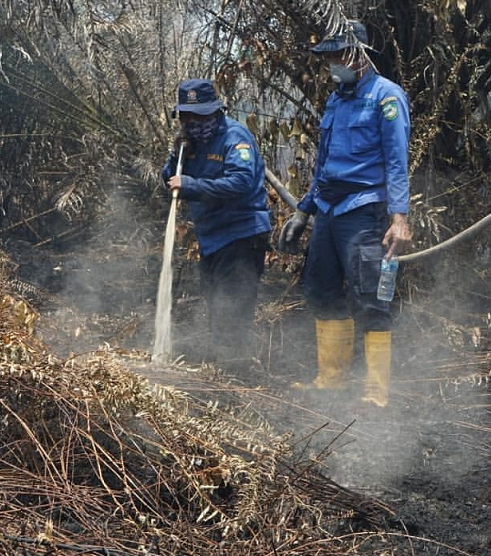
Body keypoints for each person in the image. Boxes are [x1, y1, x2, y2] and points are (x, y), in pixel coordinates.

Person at [278, 21, 412, 407]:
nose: (332, 64)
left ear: (357, 55)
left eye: (337, 55)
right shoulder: (337, 99)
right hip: (328, 210)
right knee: (320, 289)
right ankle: (332, 380)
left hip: (363, 210)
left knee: (370, 297)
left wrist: (399, 217)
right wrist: (303, 212)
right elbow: (324, 164)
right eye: (329, 57)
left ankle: (375, 392)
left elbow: (396, 162)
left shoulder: (387, 97)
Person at [162, 78, 271, 365]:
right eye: (186, 117)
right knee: (216, 305)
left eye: (199, 116)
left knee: (231, 312)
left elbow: (241, 181)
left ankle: (234, 381)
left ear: (214, 112)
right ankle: (223, 371)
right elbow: (170, 178)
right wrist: (175, 158)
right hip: (212, 239)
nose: (193, 122)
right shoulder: (190, 143)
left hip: (241, 235)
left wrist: (192, 185)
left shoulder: (234, 138)